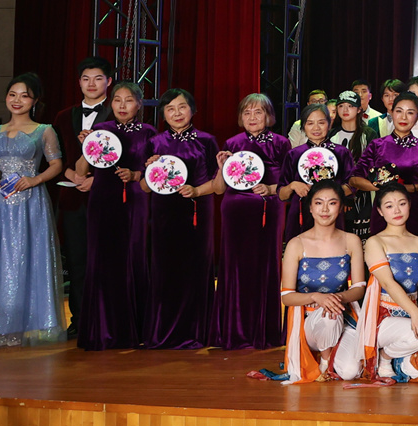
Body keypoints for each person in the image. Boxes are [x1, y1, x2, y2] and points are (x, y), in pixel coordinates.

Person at [0, 75, 66, 347]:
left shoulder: (44, 130)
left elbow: (56, 165)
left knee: (25, 258)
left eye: (24, 95)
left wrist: (35, 179)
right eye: (12, 94)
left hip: (29, 202)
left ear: (35, 100)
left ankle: (23, 324)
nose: (17, 100)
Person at [65, 81, 154, 350]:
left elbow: (153, 172)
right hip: (102, 200)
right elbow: (81, 170)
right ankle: (102, 328)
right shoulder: (100, 130)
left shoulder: (149, 133)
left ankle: (135, 329)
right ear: (111, 103)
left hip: (134, 200)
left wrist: (135, 174)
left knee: (133, 258)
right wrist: (86, 146)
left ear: (139, 104)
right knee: (103, 260)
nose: (122, 106)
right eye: (117, 100)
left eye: (129, 100)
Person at [204, 93, 289, 350]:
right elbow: (219, 189)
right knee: (235, 268)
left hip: (268, 210)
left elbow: (288, 184)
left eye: (258, 112)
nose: (252, 117)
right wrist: (221, 166)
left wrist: (270, 189)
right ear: (241, 117)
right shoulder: (232, 143)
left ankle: (263, 332)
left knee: (266, 266)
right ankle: (233, 331)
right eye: (247, 112)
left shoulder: (281, 143)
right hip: (235, 211)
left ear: (269, 116)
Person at [264, 183, 367, 383]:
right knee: (329, 315)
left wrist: (336, 298)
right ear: (310, 208)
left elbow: (359, 288)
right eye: (319, 203)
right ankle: (325, 363)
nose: (325, 209)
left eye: (332, 203)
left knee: (350, 372)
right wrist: (316, 297)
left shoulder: (351, 240)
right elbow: (286, 296)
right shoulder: (296, 244)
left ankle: (331, 353)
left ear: (341, 207)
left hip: (342, 316)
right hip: (309, 322)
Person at [144, 89, 216, 349]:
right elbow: (143, 187)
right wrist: (151, 168)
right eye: (170, 109)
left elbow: (218, 184)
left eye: (182, 107)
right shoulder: (155, 143)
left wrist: (196, 191)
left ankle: (197, 331)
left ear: (193, 110)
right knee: (165, 270)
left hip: (197, 211)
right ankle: (163, 332)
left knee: (196, 269)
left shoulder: (207, 141)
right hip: (163, 213)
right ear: (163, 114)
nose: (176, 113)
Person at [53, 57, 113, 338]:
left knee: (106, 260)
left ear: (108, 82)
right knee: (76, 262)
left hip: (105, 199)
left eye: (98, 78)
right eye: (86, 78)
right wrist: (70, 172)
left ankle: (105, 318)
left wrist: (95, 179)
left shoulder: (117, 113)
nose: (91, 84)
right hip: (72, 198)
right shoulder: (63, 116)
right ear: (79, 82)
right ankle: (78, 319)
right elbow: (55, 156)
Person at [359, 184, 418, 383]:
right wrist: (415, 314)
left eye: (401, 204)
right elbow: (388, 282)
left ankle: (395, 356)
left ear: (409, 205)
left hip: (415, 312)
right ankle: (384, 356)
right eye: (389, 206)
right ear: (380, 211)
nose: (396, 210)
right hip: (384, 315)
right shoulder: (375, 242)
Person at [349, 93, 418, 234]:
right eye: (399, 111)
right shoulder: (377, 145)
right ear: (392, 113)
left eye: (410, 113)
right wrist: (382, 187)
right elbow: (354, 179)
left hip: (413, 210)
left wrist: (408, 188)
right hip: (383, 210)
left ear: (417, 117)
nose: (403, 117)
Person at [281, 103, 352, 247]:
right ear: (303, 127)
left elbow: (352, 186)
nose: (316, 128)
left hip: (331, 212)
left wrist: (333, 192)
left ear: (329, 124)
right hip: (301, 213)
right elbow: (282, 194)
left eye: (321, 122)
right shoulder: (294, 154)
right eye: (310, 123)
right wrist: (293, 185)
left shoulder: (341, 153)